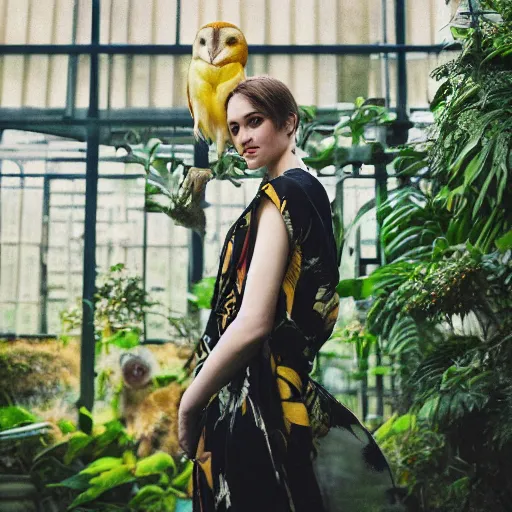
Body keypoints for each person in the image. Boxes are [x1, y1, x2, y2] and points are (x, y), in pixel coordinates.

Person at [178, 76, 402, 512]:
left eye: (254, 122)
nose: (242, 137)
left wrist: (190, 405)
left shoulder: (280, 196)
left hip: (257, 405)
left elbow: (254, 321)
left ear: (289, 124)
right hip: (286, 397)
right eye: (236, 127)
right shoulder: (312, 193)